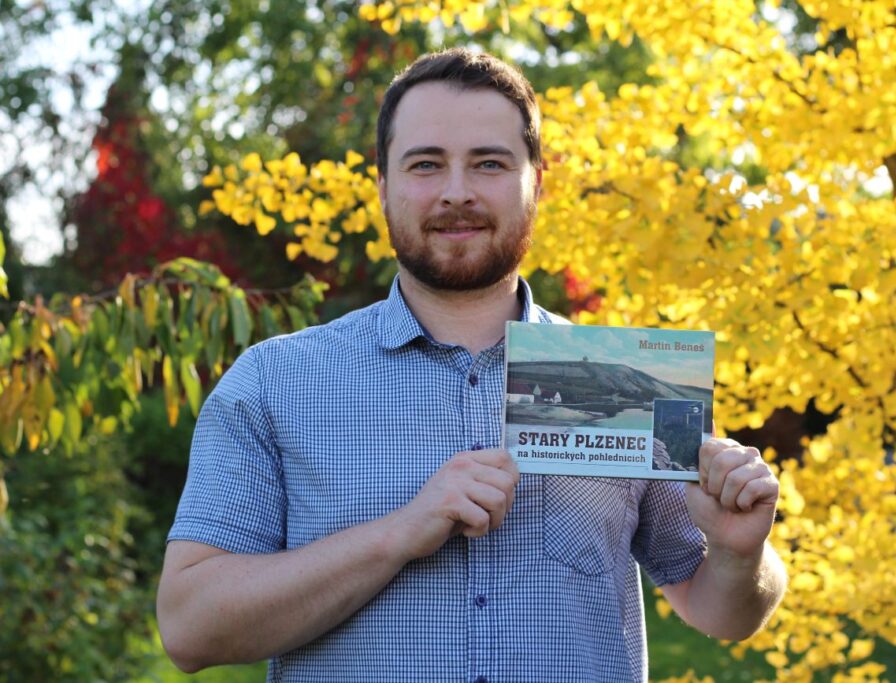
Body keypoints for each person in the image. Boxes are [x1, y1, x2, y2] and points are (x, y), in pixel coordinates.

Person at [156, 47, 787, 682]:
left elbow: (724, 612)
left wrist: (739, 554)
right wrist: (400, 533)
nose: (456, 193)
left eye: (489, 163)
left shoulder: (629, 384)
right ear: (383, 186)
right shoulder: (274, 383)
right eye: (426, 164)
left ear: (536, 183)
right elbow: (189, 627)